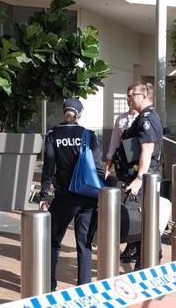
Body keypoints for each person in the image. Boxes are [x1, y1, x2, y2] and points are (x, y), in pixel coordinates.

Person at [39, 99, 104, 290]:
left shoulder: (53, 135)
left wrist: (44, 196)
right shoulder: (89, 135)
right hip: (89, 197)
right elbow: (98, 169)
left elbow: (48, 169)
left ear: (63, 113)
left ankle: (48, 285)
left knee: (52, 240)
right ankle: (84, 288)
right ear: (79, 115)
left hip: (65, 196)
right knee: (84, 243)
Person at [113, 82, 163, 270]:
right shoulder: (143, 117)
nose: (130, 97)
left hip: (142, 177)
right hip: (138, 175)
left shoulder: (147, 118)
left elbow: (147, 149)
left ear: (143, 97)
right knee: (145, 217)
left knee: (145, 218)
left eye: (133, 94)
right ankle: (145, 259)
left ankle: (149, 261)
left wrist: (139, 178)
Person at [104, 85, 138, 179]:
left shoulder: (143, 118)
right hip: (123, 165)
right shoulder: (120, 119)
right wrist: (107, 168)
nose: (130, 99)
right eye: (128, 96)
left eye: (133, 96)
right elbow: (114, 143)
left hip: (138, 165)